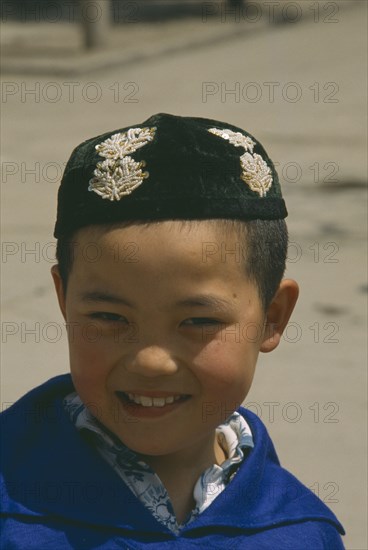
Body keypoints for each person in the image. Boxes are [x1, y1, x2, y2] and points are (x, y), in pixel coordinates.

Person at [0, 113, 345, 548]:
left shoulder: (297, 532)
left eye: (198, 322)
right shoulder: (13, 510)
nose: (151, 360)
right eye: (110, 318)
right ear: (64, 299)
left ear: (273, 316)